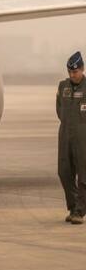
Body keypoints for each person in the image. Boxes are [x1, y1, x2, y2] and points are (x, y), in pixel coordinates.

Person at [56, 51, 86, 225]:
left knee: (83, 175)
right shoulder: (63, 87)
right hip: (66, 134)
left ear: (82, 69)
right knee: (64, 172)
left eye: (75, 71)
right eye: (70, 72)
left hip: (83, 137)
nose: (72, 75)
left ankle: (79, 212)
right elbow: (59, 109)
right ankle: (73, 206)